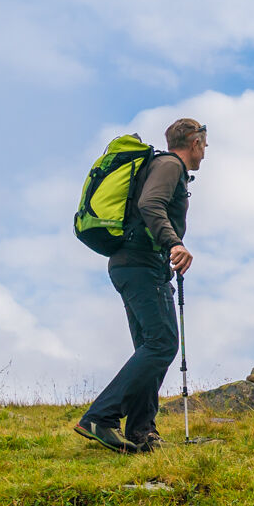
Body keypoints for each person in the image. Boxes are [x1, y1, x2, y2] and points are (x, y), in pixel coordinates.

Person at [75, 117, 205, 453]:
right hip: (140, 263)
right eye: (204, 145)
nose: (205, 152)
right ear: (195, 142)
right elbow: (150, 204)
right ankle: (100, 417)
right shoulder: (170, 165)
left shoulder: (162, 165)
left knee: (151, 345)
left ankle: (141, 429)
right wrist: (174, 242)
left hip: (133, 264)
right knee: (162, 343)